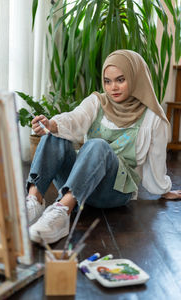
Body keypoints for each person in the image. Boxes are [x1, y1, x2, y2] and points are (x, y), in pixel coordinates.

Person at [26, 49, 181, 245]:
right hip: (81, 182)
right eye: (107, 81)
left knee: (97, 146)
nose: (112, 87)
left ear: (136, 77)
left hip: (113, 191)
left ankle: (62, 211)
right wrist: (52, 125)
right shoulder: (97, 102)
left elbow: (157, 162)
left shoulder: (153, 119)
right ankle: (33, 201)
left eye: (120, 80)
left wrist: (164, 189)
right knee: (56, 134)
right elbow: (75, 118)